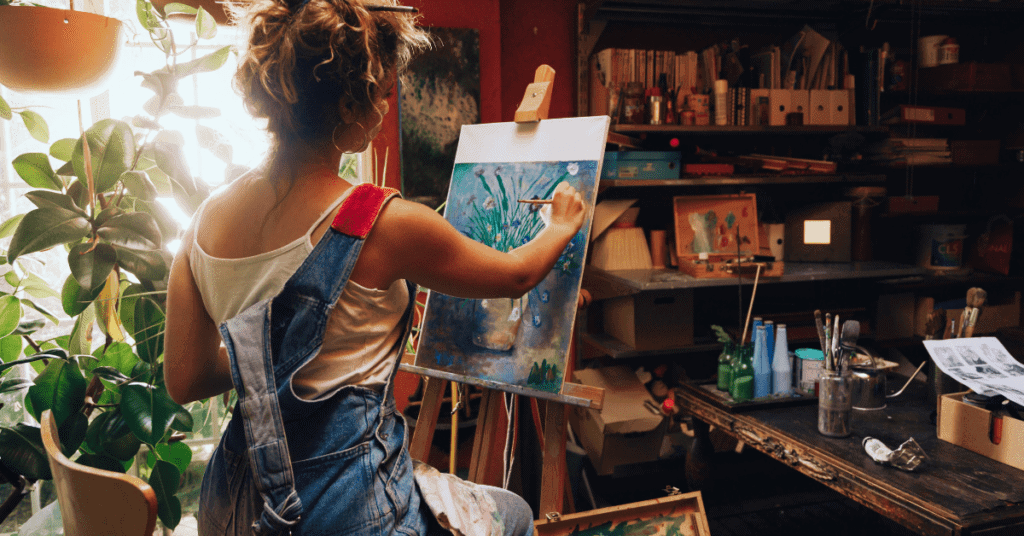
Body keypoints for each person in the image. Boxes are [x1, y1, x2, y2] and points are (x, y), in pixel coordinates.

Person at [162, 0, 585, 534]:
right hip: (349, 504)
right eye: (383, 95)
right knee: (518, 515)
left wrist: (270, 357)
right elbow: (516, 275)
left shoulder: (201, 224)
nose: (386, 109)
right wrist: (561, 225)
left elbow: (186, 378)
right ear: (348, 105)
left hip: (242, 504)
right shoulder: (380, 222)